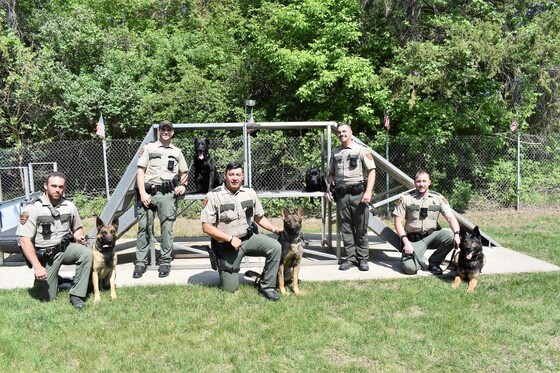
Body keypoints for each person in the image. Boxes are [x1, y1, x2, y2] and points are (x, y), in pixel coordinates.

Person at [200, 162, 283, 301]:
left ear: (242, 177)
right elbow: (206, 227)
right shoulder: (214, 196)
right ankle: (223, 265)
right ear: (225, 176)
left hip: (248, 239)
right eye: (231, 174)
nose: (235, 178)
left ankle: (267, 286)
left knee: (275, 247)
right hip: (227, 245)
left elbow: (259, 217)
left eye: (238, 175)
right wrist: (230, 239)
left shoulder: (249, 193)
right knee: (229, 289)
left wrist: (275, 229)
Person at [17, 172, 92, 309]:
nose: (57, 190)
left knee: (86, 254)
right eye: (54, 186)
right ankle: (56, 280)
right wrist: (37, 267)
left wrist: (79, 237)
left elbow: (78, 228)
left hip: (66, 249)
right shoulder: (33, 208)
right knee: (47, 298)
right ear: (46, 186)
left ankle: (76, 295)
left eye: (61, 187)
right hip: (46, 255)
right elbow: (24, 240)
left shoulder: (69, 206)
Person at [134, 121, 188, 278]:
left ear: (172, 133)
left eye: (168, 130)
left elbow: (184, 174)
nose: (165, 132)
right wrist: (143, 193)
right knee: (144, 227)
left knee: (167, 229)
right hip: (149, 193)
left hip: (167, 195)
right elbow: (140, 171)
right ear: (159, 131)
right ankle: (140, 263)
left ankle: (165, 261)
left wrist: (182, 187)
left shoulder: (177, 152)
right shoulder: (149, 148)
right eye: (163, 129)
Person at [326, 122, 376, 271]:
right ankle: (350, 258)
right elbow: (331, 174)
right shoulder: (335, 153)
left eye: (344, 131)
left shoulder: (361, 150)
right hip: (341, 195)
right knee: (346, 228)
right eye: (339, 132)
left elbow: (372, 171)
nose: (341, 134)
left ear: (351, 132)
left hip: (358, 194)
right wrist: (329, 190)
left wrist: (368, 192)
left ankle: (363, 259)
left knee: (360, 228)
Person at [392, 170, 461, 275]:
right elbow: (398, 222)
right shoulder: (406, 198)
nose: (421, 184)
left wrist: (457, 234)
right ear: (415, 183)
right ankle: (416, 260)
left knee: (450, 236)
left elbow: (450, 218)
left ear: (429, 182)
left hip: (432, 236)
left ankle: (434, 262)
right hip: (413, 240)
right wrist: (406, 243)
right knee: (410, 269)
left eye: (424, 181)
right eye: (418, 181)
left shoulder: (438, 198)